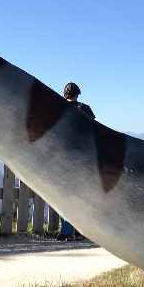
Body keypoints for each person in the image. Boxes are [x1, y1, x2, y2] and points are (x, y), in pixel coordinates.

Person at [57, 82, 95, 241]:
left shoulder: (58, 107)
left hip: (62, 156)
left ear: (65, 93)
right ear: (78, 93)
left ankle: (66, 232)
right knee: (80, 196)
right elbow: (94, 130)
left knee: (63, 195)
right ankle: (80, 232)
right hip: (83, 156)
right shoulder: (85, 109)